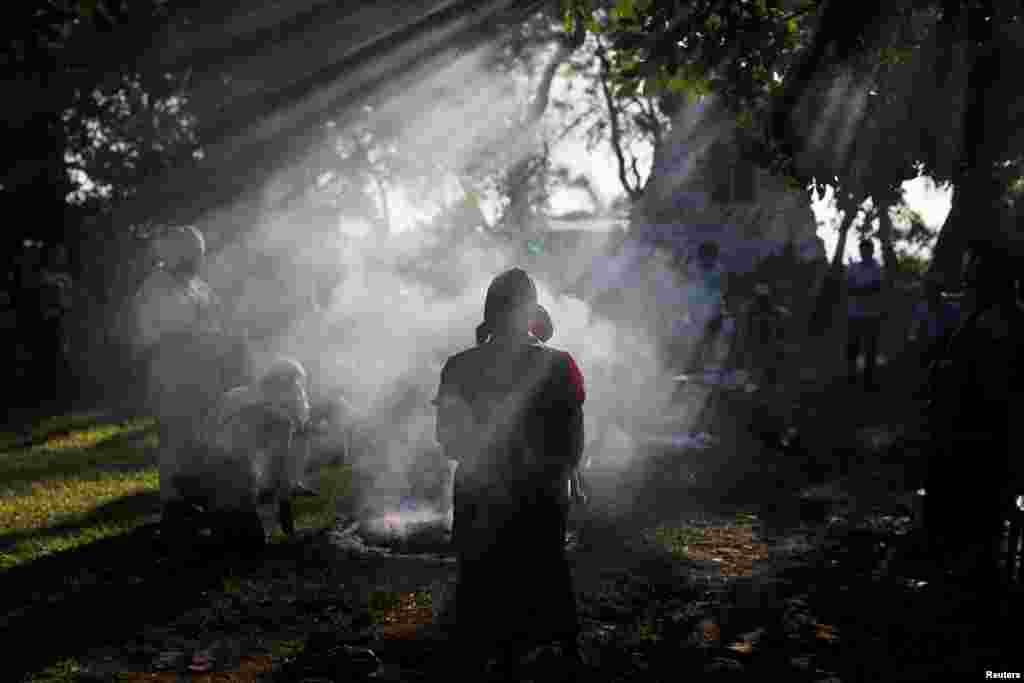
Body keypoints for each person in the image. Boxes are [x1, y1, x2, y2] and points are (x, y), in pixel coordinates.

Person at [434, 268, 586, 677]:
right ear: (531, 314)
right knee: (546, 568)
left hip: (479, 490)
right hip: (542, 491)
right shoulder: (560, 364)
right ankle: (558, 650)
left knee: (480, 578)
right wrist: (567, 470)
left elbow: (448, 440)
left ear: (490, 314)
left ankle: (487, 656)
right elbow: (572, 435)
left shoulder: (459, 367)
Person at [131, 225, 247, 546]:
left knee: (202, 440)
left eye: (199, 253)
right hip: (172, 376)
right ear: (173, 254)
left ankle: (197, 506)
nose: (198, 260)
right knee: (176, 442)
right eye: (192, 254)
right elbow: (165, 336)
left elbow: (217, 322)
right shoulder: (156, 288)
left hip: (203, 376)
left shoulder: (198, 286)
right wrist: (208, 338)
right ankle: (175, 511)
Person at [925, 240, 1024, 583]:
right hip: (987, 447)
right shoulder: (999, 318)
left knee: (975, 537)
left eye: (970, 271)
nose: (965, 279)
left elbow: (985, 391)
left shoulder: (995, 325)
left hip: (981, 450)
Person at [172, 357, 315, 551]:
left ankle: (200, 517)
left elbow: (206, 434)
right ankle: (208, 522)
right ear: (290, 388)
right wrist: (286, 513)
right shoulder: (281, 418)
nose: (301, 395)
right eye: (298, 389)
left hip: (190, 476)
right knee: (249, 550)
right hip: (228, 485)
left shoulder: (237, 394)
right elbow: (278, 471)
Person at [845, 238, 885, 390]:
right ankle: (851, 376)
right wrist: (865, 289)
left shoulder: (878, 268)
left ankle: (869, 379)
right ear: (860, 251)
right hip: (854, 314)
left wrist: (858, 289)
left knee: (870, 349)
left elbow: (877, 288)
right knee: (853, 347)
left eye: (867, 250)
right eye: (862, 250)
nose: (864, 253)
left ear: (872, 251)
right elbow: (848, 288)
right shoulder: (853, 267)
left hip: (872, 314)